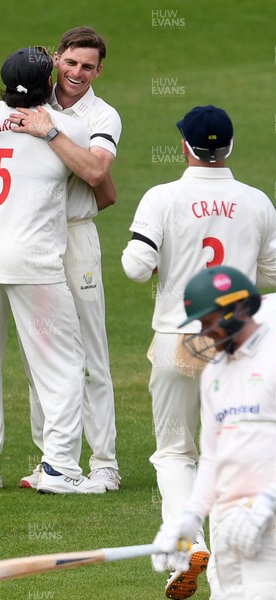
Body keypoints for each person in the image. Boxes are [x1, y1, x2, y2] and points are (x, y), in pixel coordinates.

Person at [121, 105, 276, 596]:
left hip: (176, 338)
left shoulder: (162, 197)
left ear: (185, 146)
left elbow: (135, 268)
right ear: (228, 148)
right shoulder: (256, 201)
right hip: (235, 342)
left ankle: (189, 549)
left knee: (174, 453)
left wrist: (163, 266)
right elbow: (273, 272)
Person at [0, 45, 106, 495]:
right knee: (61, 366)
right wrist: (53, 133)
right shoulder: (67, 126)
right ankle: (57, 467)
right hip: (33, 261)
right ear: (48, 85)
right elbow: (97, 177)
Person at [9, 27, 122, 491]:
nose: (78, 73)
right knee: (43, 355)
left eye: (88, 66)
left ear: (99, 70)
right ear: (57, 59)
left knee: (90, 355)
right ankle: (52, 461)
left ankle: (105, 465)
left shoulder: (103, 114)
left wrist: (51, 133)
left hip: (75, 240)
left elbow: (100, 177)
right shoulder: (32, 98)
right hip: (34, 240)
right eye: (71, 62)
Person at [151, 265, 276, 600]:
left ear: (238, 308)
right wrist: (187, 521)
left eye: (210, 322)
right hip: (228, 528)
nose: (206, 333)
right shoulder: (214, 374)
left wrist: (266, 503)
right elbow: (212, 460)